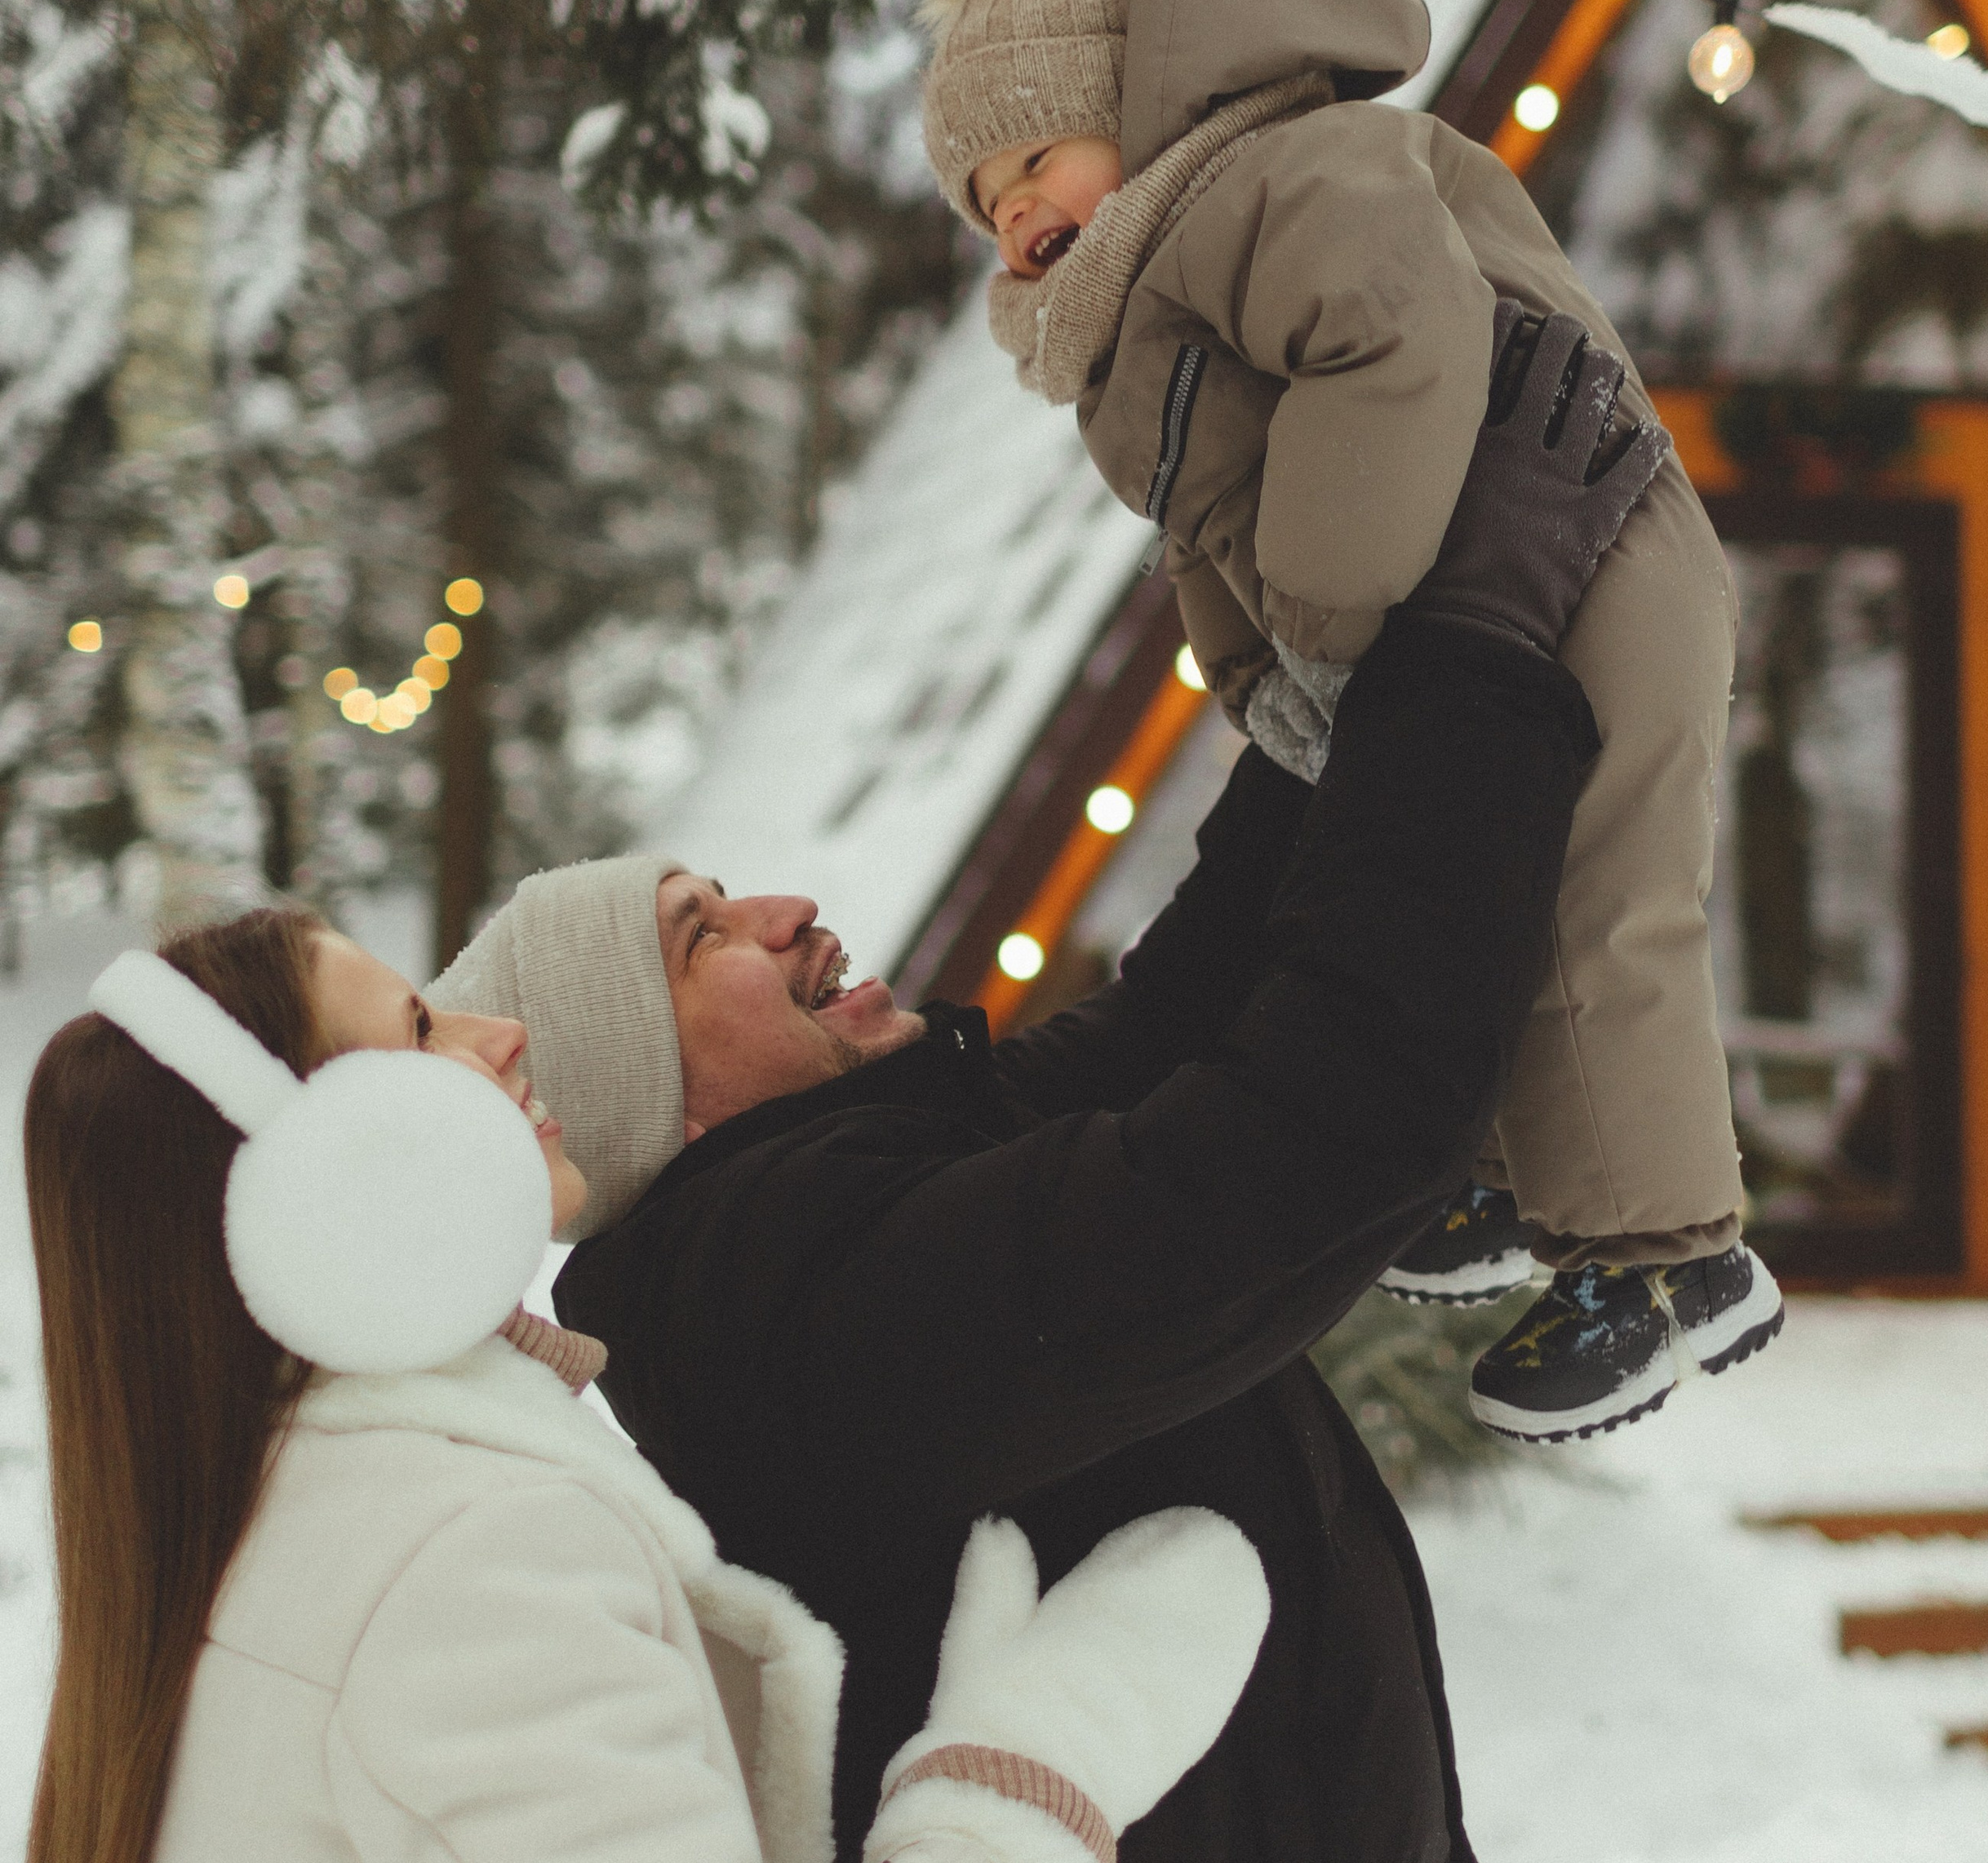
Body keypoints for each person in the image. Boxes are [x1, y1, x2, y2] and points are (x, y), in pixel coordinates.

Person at [430, 311, 1643, 1863]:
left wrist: (1340, 667)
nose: (784, 911)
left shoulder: (868, 1180)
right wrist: (1478, 640)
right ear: (649, 1095)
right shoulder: (783, 1303)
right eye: (702, 940)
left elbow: (1192, 1012)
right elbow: (1311, 1130)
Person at [907, 0, 1782, 1440]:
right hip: (1446, 601)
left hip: (1580, 548)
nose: (1013, 211)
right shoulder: (1144, 306)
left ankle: (1669, 1254)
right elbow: (1201, 533)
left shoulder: (1283, 174)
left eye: (1034, 158)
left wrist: (1319, 609)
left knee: (1596, 896)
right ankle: (1522, 1177)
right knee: (1476, 889)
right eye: (983, 198)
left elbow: (1388, 338)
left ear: (1133, 99)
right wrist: (1270, 687)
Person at [23, 908, 1271, 1863]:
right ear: (318, 1177)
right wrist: (1013, 1781)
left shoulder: (280, 1534)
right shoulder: (463, 1565)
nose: (498, 1031)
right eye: (418, 1032)